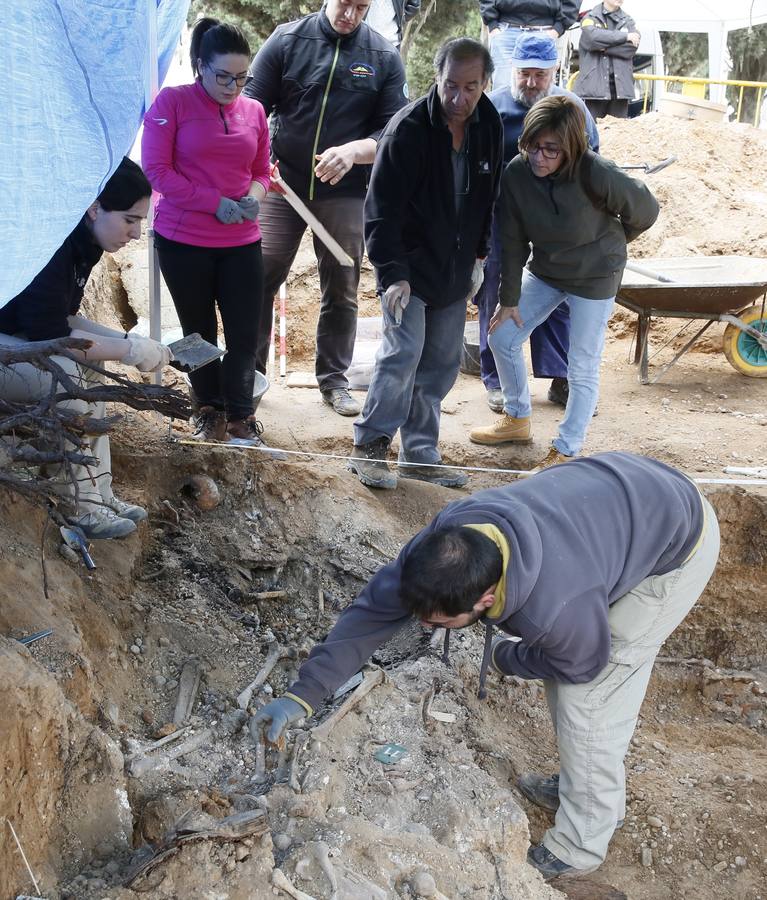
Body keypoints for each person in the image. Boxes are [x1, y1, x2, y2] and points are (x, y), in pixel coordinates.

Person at [252, 451, 720, 880]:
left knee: (589, 699)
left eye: (440, 622)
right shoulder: (441, 549)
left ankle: (579, 844)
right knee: (572, 683)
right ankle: (588, 786)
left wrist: (506, 657)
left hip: (677, 541)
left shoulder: (554, 606)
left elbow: (583, 662)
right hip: (620, 497)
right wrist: (302, 696)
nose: (425, 624)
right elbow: (369, 616)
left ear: (487, 598)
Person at [469, 96, 658, 469]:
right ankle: (517, 418)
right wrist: (507, 300)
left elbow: (646, 210)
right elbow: (512, 240)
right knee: (502, 336)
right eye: (532, 146)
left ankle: (566, 448)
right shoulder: (517, 174)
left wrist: (614, 244)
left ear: (570, 148)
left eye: (550, 150)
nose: (539, 157)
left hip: (595, 276)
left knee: (581, 365)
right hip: (547, 270)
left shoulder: (596, 172)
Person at [349, 37, 502, 490]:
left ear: (484, 83)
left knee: (440, 362)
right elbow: (380, 210)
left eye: (470, 87)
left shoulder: (488, 123)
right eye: (450, 85)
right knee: (402, 354)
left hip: (455, 269)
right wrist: (392, 273)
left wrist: (480, 254)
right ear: (436, 78)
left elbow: (488, 197)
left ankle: (419, 453)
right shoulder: (408, 129)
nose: (459, 98)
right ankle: (370, 445)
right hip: (409, 268)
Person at [243, 0, 408, 418]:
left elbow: (391, 132)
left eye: (361, 7)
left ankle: (334, 380)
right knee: (259, 271)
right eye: (344, 3)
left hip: (345, 190)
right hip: (282, 183)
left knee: (342, 281)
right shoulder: (286, 39)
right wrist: (258, 162)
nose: (350, 14)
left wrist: (354, 151)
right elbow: (250, 106)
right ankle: (248, 373)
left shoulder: (383, 56)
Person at [0, 158, 172, 540]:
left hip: (15, 339)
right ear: (95, 208)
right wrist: (126, 351)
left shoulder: (84, 240)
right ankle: (81, 507)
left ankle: (100, 494)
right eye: (130, 219)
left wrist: (128, 342)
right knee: (67, 380)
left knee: (88, 375)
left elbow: (63, 320)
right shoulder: (53, 242)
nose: (136, 232)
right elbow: (51, 337)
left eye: (140, 221)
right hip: (7, 348)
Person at [142, 18, 271, 446]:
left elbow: (261, 171)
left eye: (241, 77)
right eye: (223, 76)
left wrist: (255, 194)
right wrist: (213, 202)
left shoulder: (253, 111)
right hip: (184, 239)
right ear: (200, 65)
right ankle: (206, 407)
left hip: (242, 240)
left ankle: (241, 414)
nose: (233, 86)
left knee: (243, 331)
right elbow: (157, 171)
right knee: (197, 331)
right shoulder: (171, 104)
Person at [476, 33, 599, 414]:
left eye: (539, 76)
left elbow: (593, 168)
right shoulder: (490, 108)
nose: (531, 82)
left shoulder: (573, 109)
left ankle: (560, 378)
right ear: (512, 70)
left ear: (554, 72)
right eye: (524, 74)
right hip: (502, 216)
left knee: (557, 295)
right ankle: (497, 380)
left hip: (555, 222)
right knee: (495, 292)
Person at [479, 0, 578, 90]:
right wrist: (492, 24)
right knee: (503, 90)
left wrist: (557, 29)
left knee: (543, 94)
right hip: (506, 31)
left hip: (546, 31)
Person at [574, 0, 639, 120]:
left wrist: (604, 48)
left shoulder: (628, 20)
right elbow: (592, 39)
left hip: (621, 90)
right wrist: (625, 37)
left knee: (617, 134)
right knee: (591, 133)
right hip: (593, 89)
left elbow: (631, 48)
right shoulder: (590, 17)